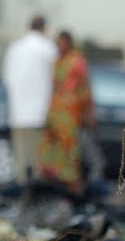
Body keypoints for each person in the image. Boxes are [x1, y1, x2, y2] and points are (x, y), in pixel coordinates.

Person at [3, 15, 57, 191]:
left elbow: (7, 79)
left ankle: (22, 185)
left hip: (18, 111)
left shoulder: (15, 48)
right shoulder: (48, 48)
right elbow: (56, 77)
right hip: (42, 111)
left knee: (21, 154)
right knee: (39, 155)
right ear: (43, 28)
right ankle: (37, 186)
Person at [36, 31, 93, 194]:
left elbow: (84, 88)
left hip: (70, 110)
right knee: (49, 145)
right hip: (55, 109)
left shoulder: (77, 61)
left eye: (62, 43)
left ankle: (72, 181)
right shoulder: (56, 61)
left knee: (68, 146)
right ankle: (53, 179)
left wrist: (88, 112)